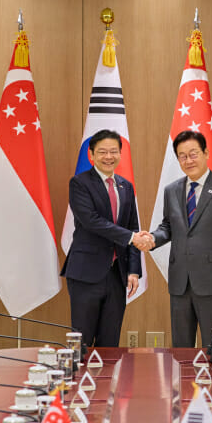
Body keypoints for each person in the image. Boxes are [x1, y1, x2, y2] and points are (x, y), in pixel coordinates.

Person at [139, 130, 212, 348]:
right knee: (181, 347)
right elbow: (168, 226)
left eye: (193, 154)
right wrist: (153, 238)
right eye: (183, 156)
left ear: (206, 153)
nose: (188, 160)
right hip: (180, 281)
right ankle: (182, 374)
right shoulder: (171, 191)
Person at [60, 129, 149, 347]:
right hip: (86, 273)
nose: (108, 157)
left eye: (113, 151)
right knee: (81, 342)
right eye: (102, 152)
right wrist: (132, 237)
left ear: (120, 154)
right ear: (91, 154)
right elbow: (92, 221)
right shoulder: (79, 183)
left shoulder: (126, 186)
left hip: (117, 275)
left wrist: (134, 270)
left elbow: (132, 227)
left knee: (110, 343)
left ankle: (107, 372)